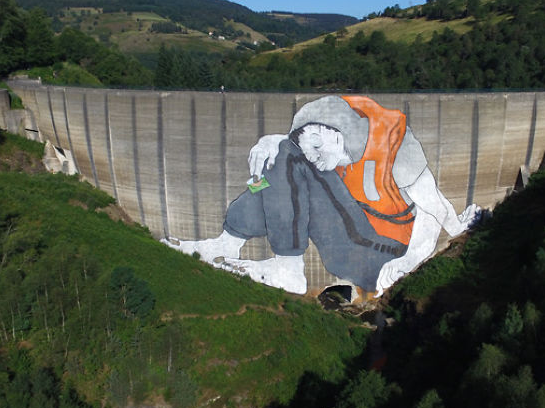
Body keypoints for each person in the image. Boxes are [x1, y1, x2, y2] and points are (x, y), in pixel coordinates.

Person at [163, 95, 478, 296]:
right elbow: (284, 174)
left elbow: (433, 209)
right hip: (347, 240)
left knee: (285, 155)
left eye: (315, 144)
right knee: (280, 159)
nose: (312, 156)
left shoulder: (397, 147)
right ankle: (227, 243)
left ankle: (288, 268)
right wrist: (267, 148)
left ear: (335, 130)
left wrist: (410, 263)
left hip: (381, 254)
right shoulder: (326, 157)